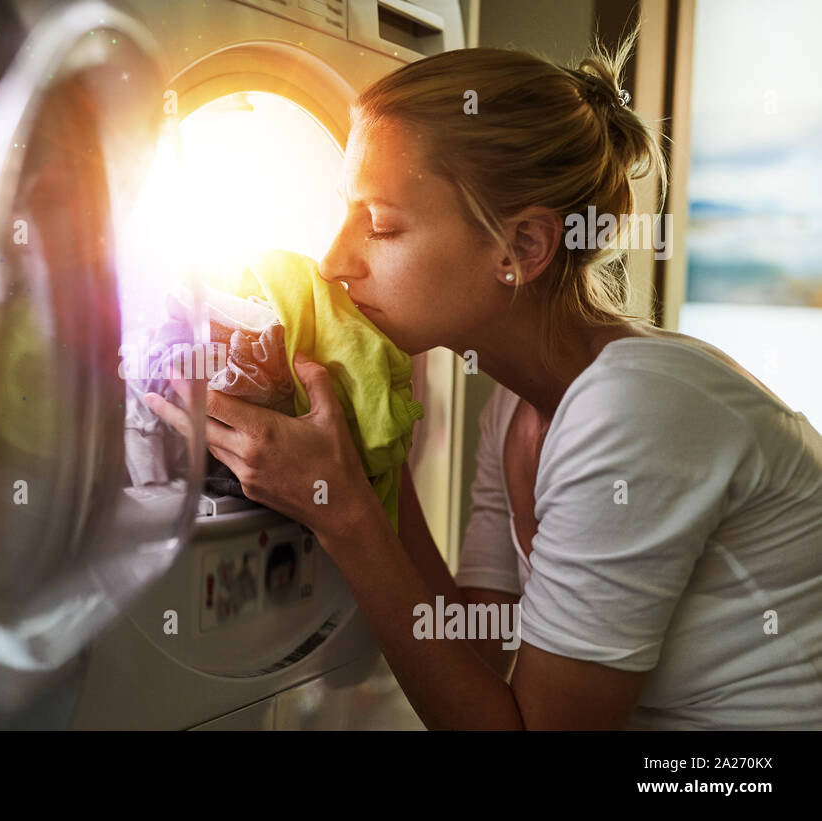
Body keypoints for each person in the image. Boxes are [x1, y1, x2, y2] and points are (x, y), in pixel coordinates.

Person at [143, 31, 822, 730]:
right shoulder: (519, 409)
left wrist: (342, 507)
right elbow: (472, 641)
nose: (332, 261)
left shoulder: (629, 410)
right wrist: (361, 444)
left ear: (521, 248)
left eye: (378, 225)